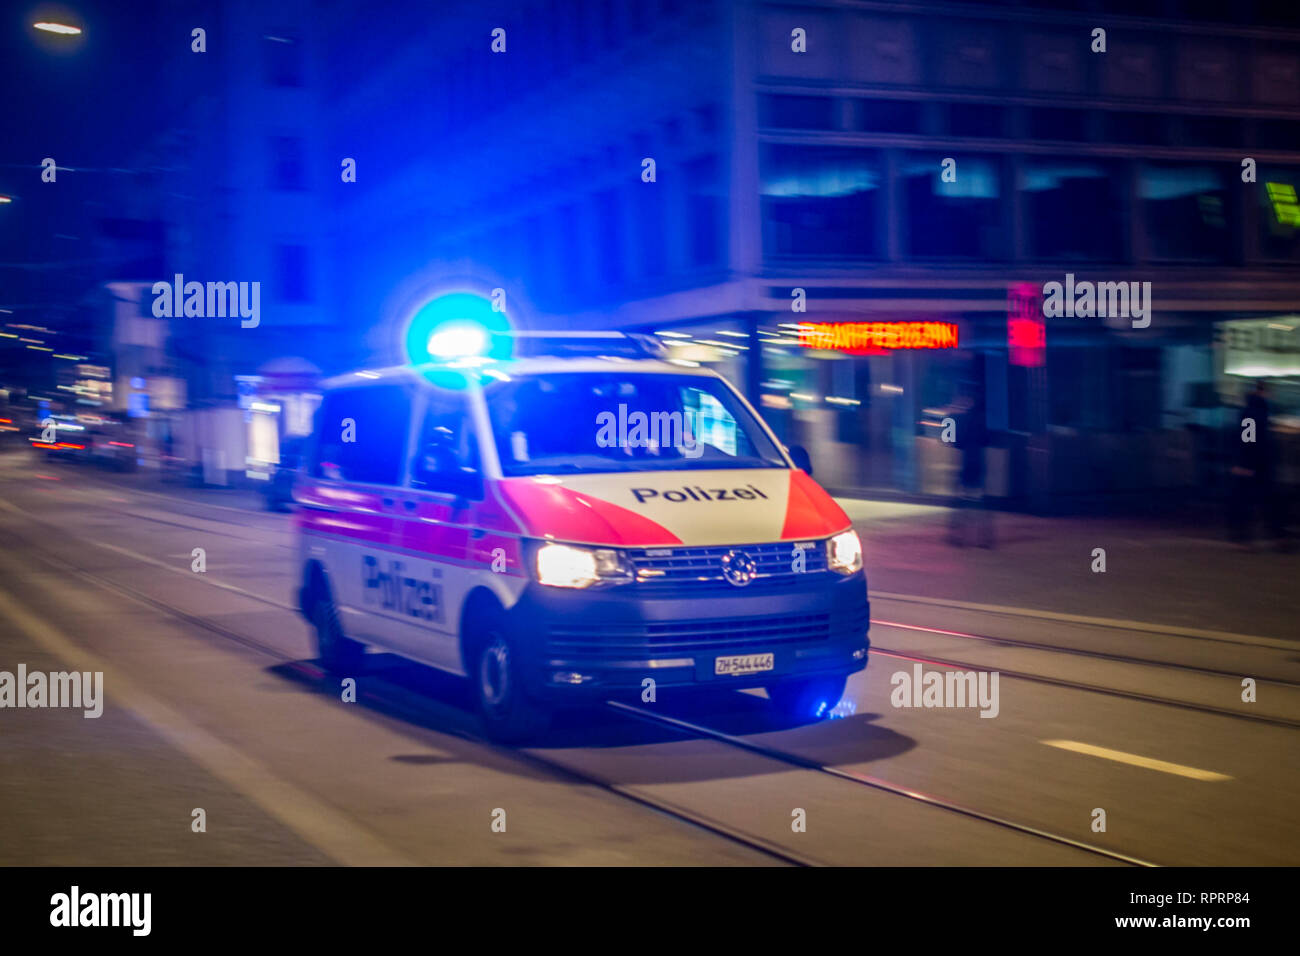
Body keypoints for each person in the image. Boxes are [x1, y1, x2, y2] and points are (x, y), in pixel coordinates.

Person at [1228, 380, 1284, 549]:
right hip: (1258, 464)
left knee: (1249, 500)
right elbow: (1250, 440)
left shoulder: (1252, 411)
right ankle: (1274, 536)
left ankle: (1244, 536)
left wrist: (1243, 463)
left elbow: (1247, 439)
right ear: (1263, 392)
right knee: (1265, 500)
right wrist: (1246, 464)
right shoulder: (1256, 412)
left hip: (1253, 463)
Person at [948, 380, 995, 549]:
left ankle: (957, 536)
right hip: (979, 462)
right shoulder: (983, 418)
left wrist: (951, 417)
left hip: (967, 461)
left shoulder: (961, 418)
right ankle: (986, 538)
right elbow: (987, 440)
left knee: (962, 500)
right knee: (980, 501)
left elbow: (953, 441)